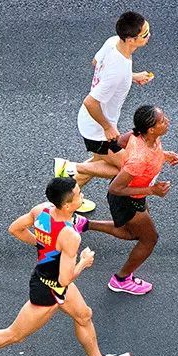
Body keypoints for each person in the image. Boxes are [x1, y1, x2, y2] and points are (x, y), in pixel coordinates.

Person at [0, 178, 131, 356]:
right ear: (67, 205)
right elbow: (65, 280)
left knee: (84, 315)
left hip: (50, 279)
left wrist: (41, 245)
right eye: (78, 193)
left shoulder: (42, 210)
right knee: (14, 335)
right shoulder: (70, 236)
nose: (82, 195)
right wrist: (83, 262)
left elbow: (15, 228)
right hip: (48, 290)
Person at [53, 12, 154, 213]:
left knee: (99, 162)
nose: (149, 35)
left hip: (92, 123)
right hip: (98, 129)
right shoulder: (117, 70)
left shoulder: (113, 43)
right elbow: (90, 102)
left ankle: (65, 202)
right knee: (129, 169)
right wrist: (108, 127)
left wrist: (130, 77)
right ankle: (70, 167)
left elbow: (96, 63)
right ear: (130, 39)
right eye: (145, 34)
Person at [73, 105, 178, 294]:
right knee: (149, 239)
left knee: (131, 233)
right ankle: (120, 280)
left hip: (133, 195)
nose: (167, 121)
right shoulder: (139, 159)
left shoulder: (142, 135)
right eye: (162, 121)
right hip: (127, 198)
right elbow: (115, 188)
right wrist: (152, 190)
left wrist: (163, 155)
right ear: (151, 129)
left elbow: (117, 143)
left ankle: (84, 224)